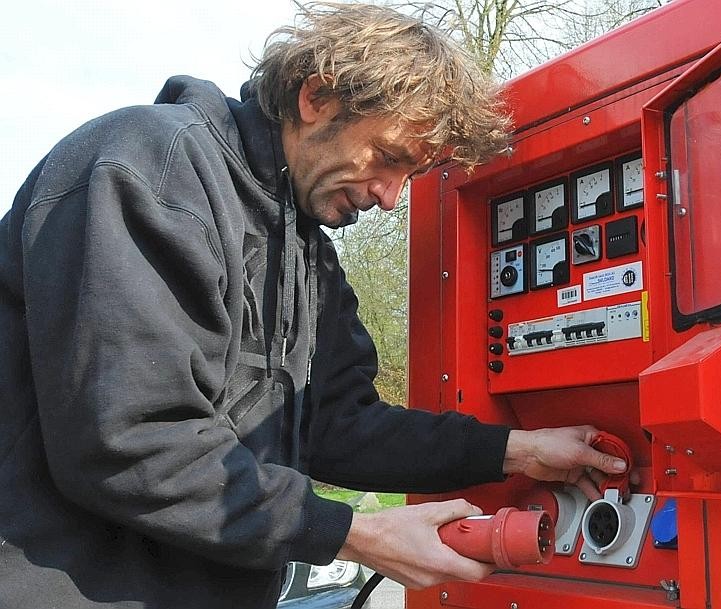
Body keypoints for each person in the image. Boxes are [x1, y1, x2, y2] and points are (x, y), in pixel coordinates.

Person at [0, 3, 629, 608]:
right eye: (388, 159)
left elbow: (338, 425)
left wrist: (515, 450)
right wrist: (352, 535)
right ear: (316, 98)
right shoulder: (151, 171)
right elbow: (129, 440)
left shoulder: (305, 254)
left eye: (410, 175)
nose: (391, 197)